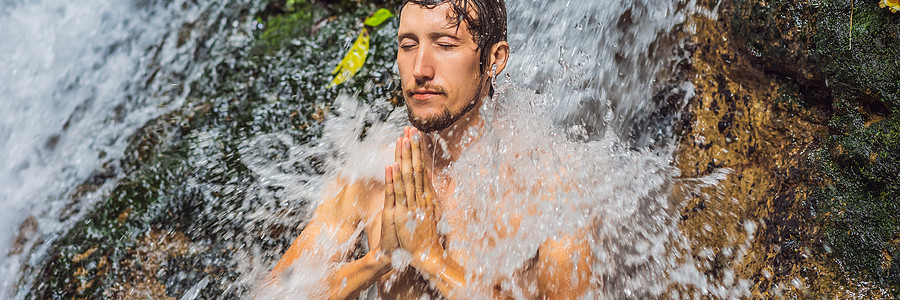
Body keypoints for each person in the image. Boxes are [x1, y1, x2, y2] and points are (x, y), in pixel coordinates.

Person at [266, 0, 593, 298]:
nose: (420, 68)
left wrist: (430, 257)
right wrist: (378, 261)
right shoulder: (373, 173)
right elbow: (272, 293)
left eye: (445, 45)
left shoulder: (549, 184)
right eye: (408, 45)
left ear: (494, 59)